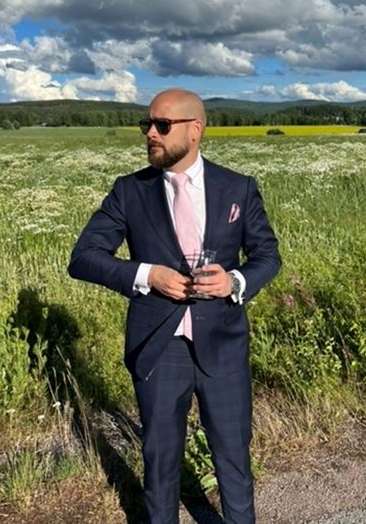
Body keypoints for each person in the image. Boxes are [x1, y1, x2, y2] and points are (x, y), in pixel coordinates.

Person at [68, 89, 281, 524]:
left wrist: (234, 281)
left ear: (195, 129)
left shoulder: (237, 187)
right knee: (161, 464)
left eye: (162, 125)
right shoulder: (130, 191)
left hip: (223, 344)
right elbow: (83, 258)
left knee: (233, 460)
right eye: (146, 124)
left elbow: (268, 256)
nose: (150, 133)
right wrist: (148, 275)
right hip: (159, 346)